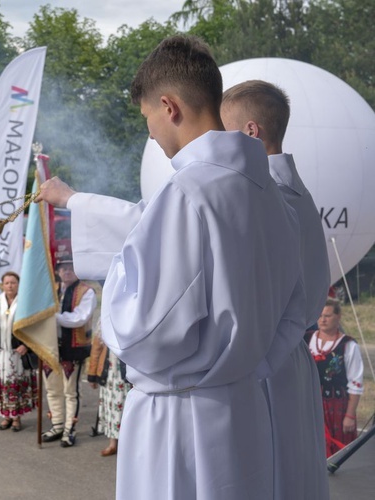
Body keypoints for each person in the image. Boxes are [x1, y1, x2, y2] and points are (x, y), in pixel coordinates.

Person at [41, 35, 306, 498]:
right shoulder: (271, 195)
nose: (150, 132)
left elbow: (148, 331)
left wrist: (120, 276)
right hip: (244, 407)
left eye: (147, 118)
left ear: (169, 106)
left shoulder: (187, 192)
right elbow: (290, 307)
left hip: (182, 421)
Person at [221, 79, 330, 498]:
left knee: (270, 478)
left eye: (225, 132)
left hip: (266, 362)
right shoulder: (293, 192)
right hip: (285, 361)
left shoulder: (271, 198)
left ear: (250, 132)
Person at [42, 254, 95, 447]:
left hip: (73, 348)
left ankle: (69, 429)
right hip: (51, 346)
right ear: (57, 271)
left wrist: (52, 316)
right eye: (63, 268)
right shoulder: (53, 289)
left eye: (70, 267)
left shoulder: (86, 292)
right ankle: (57, 424)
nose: (66, 271)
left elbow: (79, 318)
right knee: (52, 389)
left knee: (70, 391)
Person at [307, 299, 364, 457]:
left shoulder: (348, 345)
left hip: (336, 407)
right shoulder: (306, 340)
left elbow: (355, 382)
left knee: (337, 453)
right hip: (309, 404)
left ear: (338, 317)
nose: (322, 320)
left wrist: (350, 415)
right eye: (320, 315)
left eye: (327, 315)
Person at [0, 271, 37, 432]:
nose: (10, 286)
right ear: (2, 285)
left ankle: (16, 418)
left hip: (17, 353)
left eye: (13, 283)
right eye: (7, 283)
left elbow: (33, 329)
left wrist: (26, 345)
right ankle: (6, 416)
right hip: (0, 352)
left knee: (15, 385)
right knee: (2, 385)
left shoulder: (25, 303)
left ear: (18, 285)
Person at [88, 319, 128, 457]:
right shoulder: (105, 320)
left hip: (127, 373)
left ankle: (128, 445)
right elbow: (96, 348)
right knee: (111, 408)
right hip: (109, 372)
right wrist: (92, 374)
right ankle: (113, 443)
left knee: (127, 409)